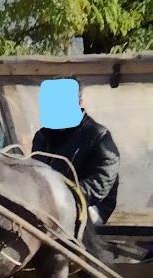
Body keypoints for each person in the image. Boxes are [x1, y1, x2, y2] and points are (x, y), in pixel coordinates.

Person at [32, 78, 120, 225]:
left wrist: (60, 197)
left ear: (79, 103)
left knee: (54, 222)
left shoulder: (99, 136)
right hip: (47, 202)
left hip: (90, 205)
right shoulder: (42, 136)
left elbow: (99, 183)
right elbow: (34, 170)